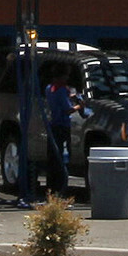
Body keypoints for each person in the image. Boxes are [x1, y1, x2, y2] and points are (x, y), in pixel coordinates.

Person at [42, 67, 79, 198]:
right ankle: (61, 190)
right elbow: (67, 109)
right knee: (63, 158)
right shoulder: (61, 90)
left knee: (52, 158)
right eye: (65, 76)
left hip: (53, 126)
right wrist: (81, 105)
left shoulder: (49, 88)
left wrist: (71, 96)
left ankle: (50, 189)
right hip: (62, 126)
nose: (67, 79)